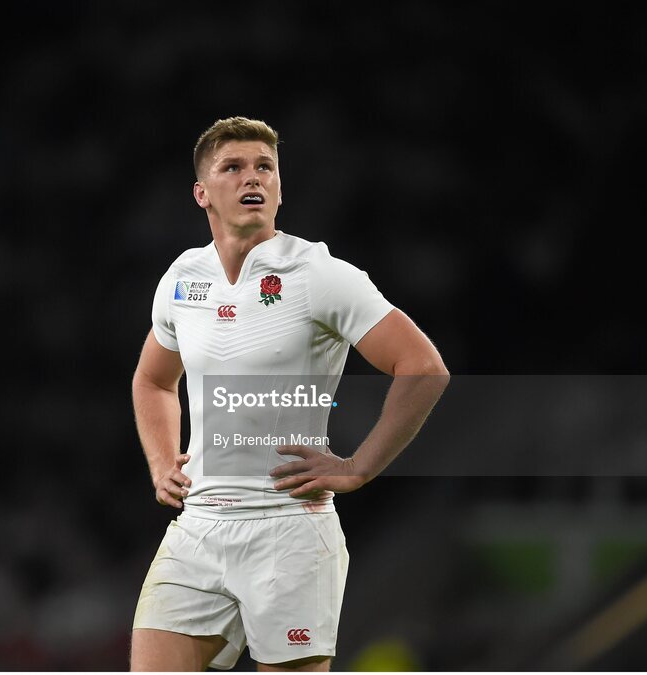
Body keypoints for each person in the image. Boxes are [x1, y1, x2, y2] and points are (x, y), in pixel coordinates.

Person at [130, 116, 449, 672]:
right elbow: (154, 379)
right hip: (199, 527)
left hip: (288, 530)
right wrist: (162, 461)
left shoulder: (318, 274)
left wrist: (359, 467)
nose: (252, 177)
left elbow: (423, 367)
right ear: (202, 193)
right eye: (233, 167)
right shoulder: (184, 277)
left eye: (265, 167)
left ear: (279, 188)